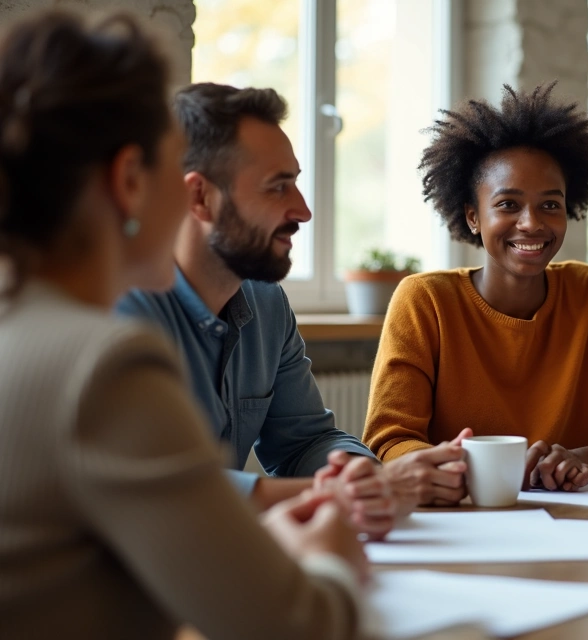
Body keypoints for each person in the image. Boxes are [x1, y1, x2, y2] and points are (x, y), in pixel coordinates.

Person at [0, 10, 367, 639]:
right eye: (171, 167)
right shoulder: (102, 364)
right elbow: (298, 628)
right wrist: (330, 556)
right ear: (130, 181)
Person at [117, 83, 466, 529]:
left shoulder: (266, 301)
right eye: (277, 187)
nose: (303, 211)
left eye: (296, 183)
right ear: (200, 198)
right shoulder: (120, 311)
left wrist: (362, 474)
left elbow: (305, 442)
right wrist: (351, 492)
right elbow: (164, 489)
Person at [363, 83, 588, 495]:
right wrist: (476, 473)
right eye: (508, 204)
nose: (531, 223)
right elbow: (388, 441)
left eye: (550, 205)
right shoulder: (425, 301)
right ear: (473, 217)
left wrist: (581, 460)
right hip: (457, 514)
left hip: (568, 516)